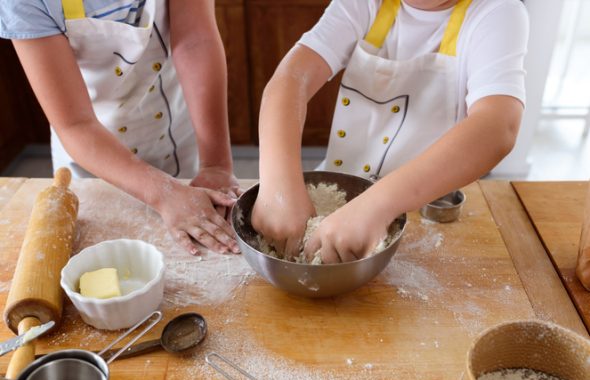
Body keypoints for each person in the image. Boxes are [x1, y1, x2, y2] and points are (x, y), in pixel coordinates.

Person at [252, 0, 528, 263]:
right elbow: (292, 79)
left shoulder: (497, 12)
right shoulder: (365, 5)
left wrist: (377, 205)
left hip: (425, 214)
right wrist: (278, 185)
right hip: (341, 195)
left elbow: (497, 126)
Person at [0, 0, 240, 256]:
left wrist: (215, 164)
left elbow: (196, 41)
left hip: (176, 126)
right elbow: (75, 124)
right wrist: (164, 194)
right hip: (94, 153)